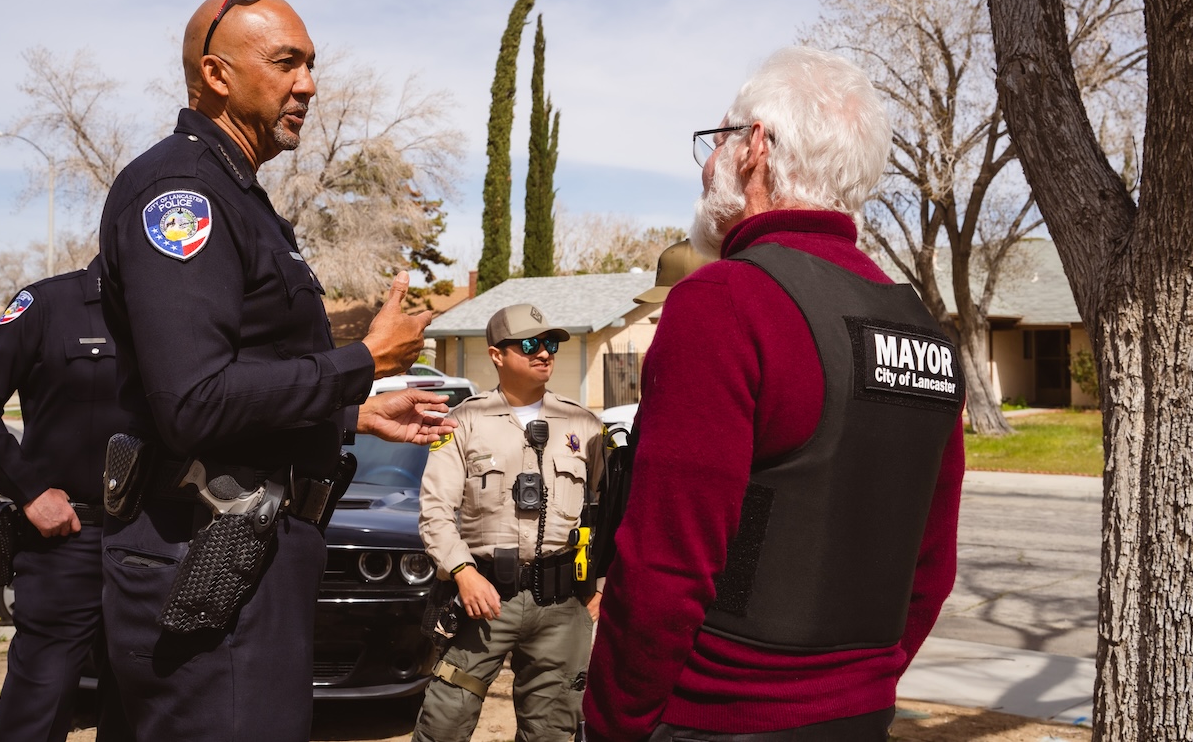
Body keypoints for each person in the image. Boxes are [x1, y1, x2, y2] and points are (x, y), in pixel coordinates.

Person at [97, 0, 456, 742]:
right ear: (216, 74)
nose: (309, 84)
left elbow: (238, 384)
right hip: (209, 557)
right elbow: (193, 400)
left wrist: (349, 411)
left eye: (311, 63)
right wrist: (361, 360)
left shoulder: (239, 195)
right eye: (287, 62)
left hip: (246, 556)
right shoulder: (182, 194)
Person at [583, 46, 967, 741]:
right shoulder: (922, 330)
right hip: (860, 715)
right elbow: (931, 571)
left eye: (717, 140)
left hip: (716, 716)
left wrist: (611, 725)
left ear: (755, 148)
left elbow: (664, 571)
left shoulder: (726, 301)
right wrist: (855, 686)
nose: (707, 164)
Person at [0, 257, 131, 742]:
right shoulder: (48, 304)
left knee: (141, 704)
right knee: (39, 702)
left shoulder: (178, 308)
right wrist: (29, 491)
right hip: (68, 539)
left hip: (156, 538)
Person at [413, 303, 606, 742]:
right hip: (484, 600)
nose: (545, 354)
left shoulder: (584, 423)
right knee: (443, 722)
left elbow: (606, 511)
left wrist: (603, 585)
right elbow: (435, 511)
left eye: (551, 344)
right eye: (531, 344)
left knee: (553, 731)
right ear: (497, 354)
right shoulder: (462, 421)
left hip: (562, 606)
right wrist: (462, 573)